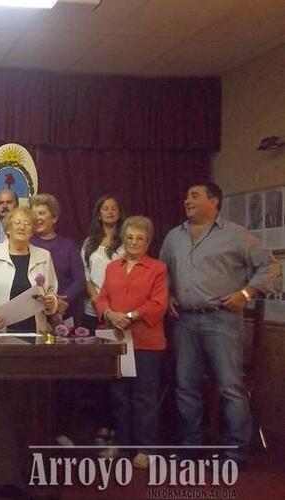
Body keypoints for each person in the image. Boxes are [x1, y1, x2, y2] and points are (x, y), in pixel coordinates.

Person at [160, 181, 278, 466]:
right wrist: (168, 295)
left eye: (195, 196)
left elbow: (270, 265)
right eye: (187, 195)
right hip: (184, 322)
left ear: (214, 202)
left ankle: (236, 451)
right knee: (186, 386)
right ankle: (191, 447)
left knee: (229, 387)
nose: (187, 200)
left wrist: (246, 293)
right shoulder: (174, 236)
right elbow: (161, 271)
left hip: (221, 321)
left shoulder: (237, 235)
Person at [96, 216, 168, 469]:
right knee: (119, 396)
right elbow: (102, 298)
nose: (134, 242)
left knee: (144, 397)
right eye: (129, 237)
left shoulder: (157, 268)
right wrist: (109, 313)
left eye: (140, 238)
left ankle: (146, 448)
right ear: (122, 240)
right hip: (117, 340)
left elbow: (158, 304)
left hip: (146, 342)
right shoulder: (112, 267)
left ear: (148, 242)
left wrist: (129, 316)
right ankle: (122, 444)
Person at [80, 194, 125, 447]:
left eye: (113, 208)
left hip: (121, 317)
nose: (109, 212)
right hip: (93, 313)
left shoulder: (127, 241)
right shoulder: (89, 243)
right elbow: (86, 278)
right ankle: (100, 425)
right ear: (98, 214)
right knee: (98, 374)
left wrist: (112, 309)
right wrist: (99, 303)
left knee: (118, 374)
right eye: (104, 208)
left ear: (119, 213)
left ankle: (117, 427)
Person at [0, 206, 59, 334]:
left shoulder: (44, 256)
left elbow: (51, 291)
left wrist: (52, 302)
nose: (22, 227)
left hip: (34, 333)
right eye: (17, 223)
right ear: (8, 229)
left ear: (32, 231)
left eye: (27, 223)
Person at [29, 193, 85, 323]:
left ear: (54, 218)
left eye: (42, 213)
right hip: (34, 314)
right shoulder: (26, 244)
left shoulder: (68, 245)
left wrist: (61, 303)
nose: (37, 218)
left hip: (65, 313)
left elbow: (80, 280)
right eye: (34, 214)